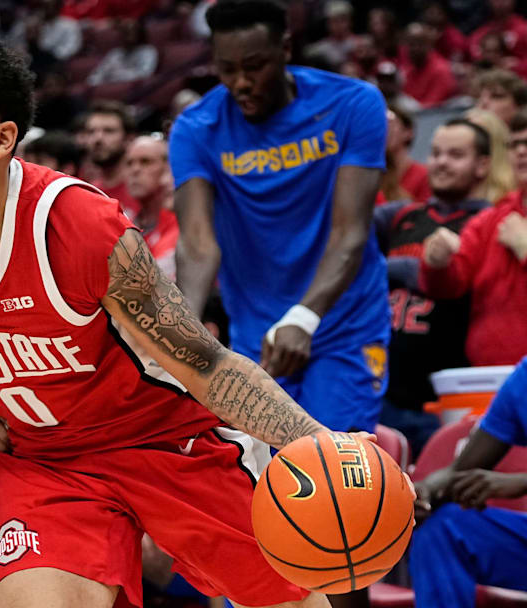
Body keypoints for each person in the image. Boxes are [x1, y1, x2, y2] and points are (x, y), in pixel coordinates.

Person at [0, 32, 353, 608]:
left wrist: (319, 445)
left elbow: (204, 361)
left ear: (3, 139)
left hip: (165, 439)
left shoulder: (78, 224)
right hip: (48, 462)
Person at [172, 0, 389, 436]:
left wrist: (304, 317)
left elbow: (350, 233)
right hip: (257, 336)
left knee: (335, 467)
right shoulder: (196, 128)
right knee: (267, 481)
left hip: (344, 322)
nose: (241, 82)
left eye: (255, 66)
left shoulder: (352, 104)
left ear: (286, 48)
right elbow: (197, 244)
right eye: (226, 69)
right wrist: (182, 337)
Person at [375, 119, 493, 455]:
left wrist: (392, 270)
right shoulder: (401, 216)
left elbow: (460, 281)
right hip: (385, 389)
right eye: (436, 153)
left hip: (447, 397)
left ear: (482, 165)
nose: (441, 162)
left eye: (456, 154)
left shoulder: (487, 223)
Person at [410, 356, 527, 607]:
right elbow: (458, 471)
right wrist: (425, 490)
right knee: (443, 527)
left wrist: (521, 482)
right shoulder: (523, 379)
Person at [421, 159, 527, 367]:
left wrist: (524, 247)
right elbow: (449, 286)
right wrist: (438, 263)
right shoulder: (489, 220)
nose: (521, 150)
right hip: (484, 376)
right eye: (515, 144)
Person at [122, 134, 178, 278]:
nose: (135, 170)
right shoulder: (124, 223)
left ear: (167, 169)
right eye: (129, 163)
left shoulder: (181, 224)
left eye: (145, 162)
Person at [81, 100, 139, 215]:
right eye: (91, 131)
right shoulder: (88, 193)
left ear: (129, 139)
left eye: (109, 131)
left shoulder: (144, 190)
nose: (97, 138)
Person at [379, 104, 430, 204]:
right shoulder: (373, 174)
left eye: (390, 124)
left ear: (408, 132)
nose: (384, 130)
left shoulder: (425, 176)